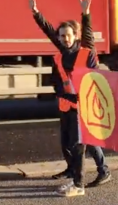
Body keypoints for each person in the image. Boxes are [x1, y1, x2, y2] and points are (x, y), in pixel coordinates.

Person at [30, 0, 112, 187]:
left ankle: (102, 170)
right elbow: (49, 31)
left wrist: (86, 13)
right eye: (62, 36)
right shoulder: (63, 50)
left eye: (68, 35)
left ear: (75, 36)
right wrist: (36, 13)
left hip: (83, 103)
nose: (65, 39)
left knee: (84, 141)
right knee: (67, 141)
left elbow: (88, 35)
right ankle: (71, 169)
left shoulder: (84, 51)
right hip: (66, 103)